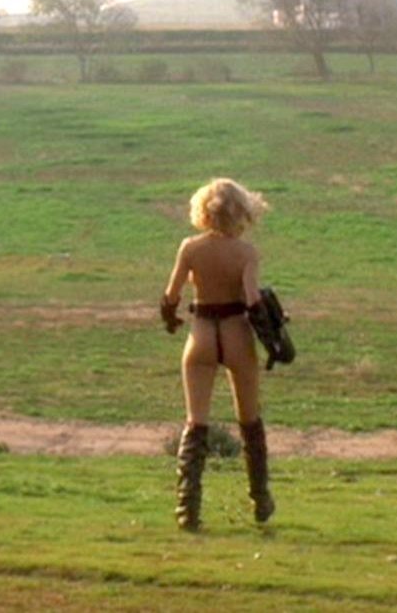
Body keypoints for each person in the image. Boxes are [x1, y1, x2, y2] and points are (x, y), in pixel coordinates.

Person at [160, 177, 276, 531]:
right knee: (249, 420)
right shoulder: (247, 253)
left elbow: (171, 295)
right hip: (236, 332)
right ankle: (260, 498)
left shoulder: (190, 248)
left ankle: (187, 508)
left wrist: (170, 319)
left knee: (196, 423)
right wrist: (273, 338)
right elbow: (252, 299)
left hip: (202, 334)